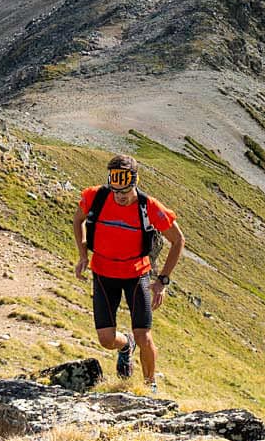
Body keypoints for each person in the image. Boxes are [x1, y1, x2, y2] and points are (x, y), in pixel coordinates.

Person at [73, 154, 183, 392]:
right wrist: (83, 255)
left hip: (137, 273)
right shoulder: (95, 197)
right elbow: (78, 219)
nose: (121, 197)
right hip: (103, 272)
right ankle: (125, 346)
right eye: (116, 192)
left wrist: (162, 281)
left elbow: (178, 240)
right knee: (106, 339)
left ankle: (149, 386)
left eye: (126, 191)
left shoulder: (149, 206)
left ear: (135, 183)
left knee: (144, 335)